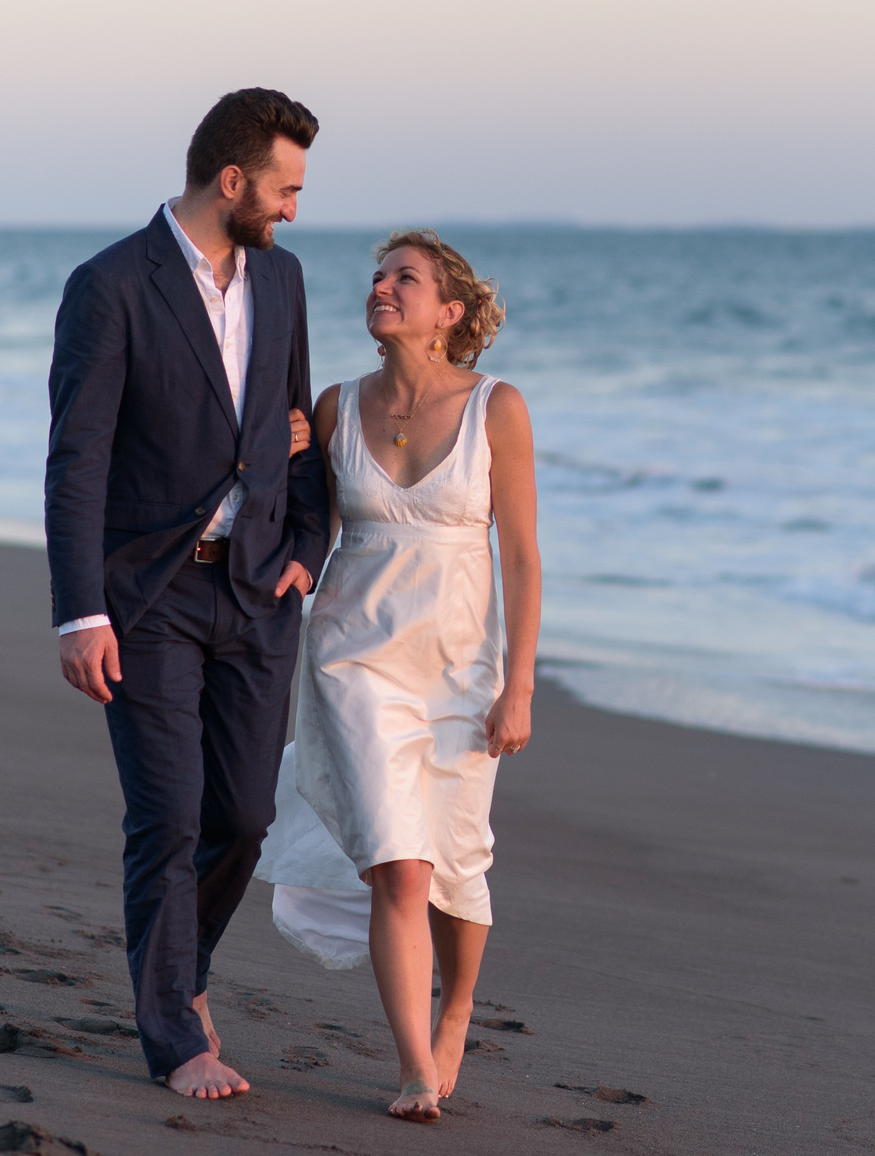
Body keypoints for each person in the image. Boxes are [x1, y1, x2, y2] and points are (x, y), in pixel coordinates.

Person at [43, 87, 332, 1099]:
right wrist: (80, 612)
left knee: (243, 816)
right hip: (150, 594)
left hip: (258, 593)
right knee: (166, 814)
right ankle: (175, 1034)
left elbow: (296, 424)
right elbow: (76, 458)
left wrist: (304, 540)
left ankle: (182, 969)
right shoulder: (111, 285)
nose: (294, 208)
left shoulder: (285, 280)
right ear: (232, 179)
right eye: (284, 187)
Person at [255, 230, 541, 1124]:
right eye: (378, 277)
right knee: (401, 865)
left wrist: (520, 682)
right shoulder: (337, 406)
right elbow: (297, 512)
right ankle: (416, 1064)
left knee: (457, 859)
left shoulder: (498, 408)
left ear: (449, 312)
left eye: (404, 279)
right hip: (355, 655)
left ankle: (456, 1007)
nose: (382, 287)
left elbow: (525, 558)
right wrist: (285, 444)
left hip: (460, 667)